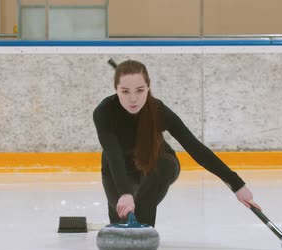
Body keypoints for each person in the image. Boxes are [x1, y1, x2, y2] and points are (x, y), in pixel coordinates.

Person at [93, 59, 260, 227]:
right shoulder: (104, 112)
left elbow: (195, 148)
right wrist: (125, 193)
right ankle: (129, 216)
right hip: (117, 170)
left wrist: (237, 185)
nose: (133, 98)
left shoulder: (157, 111)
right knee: (121, 219)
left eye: (139, 90)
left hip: (155, 165)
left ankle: (143, 228)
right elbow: (114, 156)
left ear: (148, 88)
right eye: (125, 91)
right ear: (116, 90)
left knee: (163, 166)